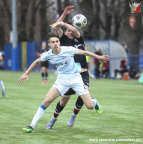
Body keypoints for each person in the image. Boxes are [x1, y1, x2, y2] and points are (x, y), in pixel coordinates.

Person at [18, 32, 109, 133]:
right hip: (62, 80)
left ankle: (93, 101)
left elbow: (84, 52)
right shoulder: (48, 55)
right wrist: (26, 73)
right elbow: (37, 61)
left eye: (57, 41)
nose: (55, 43)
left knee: (90, 106)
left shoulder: (68, 50)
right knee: (46, 101)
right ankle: (31, 126)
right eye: (53, 42)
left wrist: (99, 57)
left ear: (59, 42)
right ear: (49, 44)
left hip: (76, 79)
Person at [46, 6, 103, 129]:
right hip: (68, 75)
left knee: (82, 95)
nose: (70, 32)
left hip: (82, 74)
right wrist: (63, 15)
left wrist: (64, 24)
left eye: (72, 29)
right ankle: (54, 118)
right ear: (64, 32)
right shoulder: (63, 40)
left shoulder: (78, 37)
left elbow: (73, 29)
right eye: (68, 30)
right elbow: (56, 27)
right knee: (63, 102)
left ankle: (74, 115)